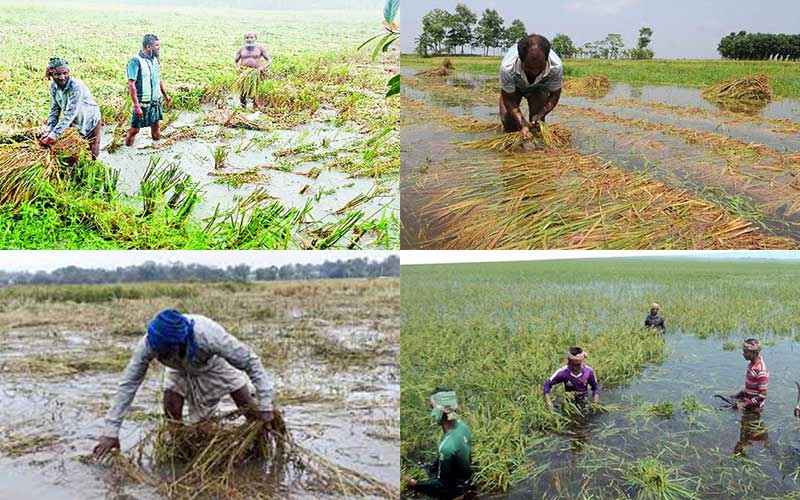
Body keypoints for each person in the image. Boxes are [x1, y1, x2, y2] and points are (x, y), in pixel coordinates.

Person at [93, 309, 274, 459]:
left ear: (179, 343)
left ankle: (259, 449)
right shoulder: (150, 344)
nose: (159, 357)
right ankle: (181, 450)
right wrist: (111, 431)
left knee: (247, 405)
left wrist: (266, 404)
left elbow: (251, 362)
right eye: (157, 353)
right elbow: (128, 384)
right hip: (179, 369)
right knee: (172, 406)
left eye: (163, 353)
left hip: (214, 364)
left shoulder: (208, 335)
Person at [406, 388, 473, 500]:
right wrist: (431, 468)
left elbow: (441, 486)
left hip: (455, 490)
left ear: (441, 412)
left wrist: (415, 484)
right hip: (465, 477)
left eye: (432, 408)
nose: (431, 412)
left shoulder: (446, 447)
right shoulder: (462, 425)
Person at [499, 34, 563, 139]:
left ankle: (536, 149)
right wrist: (521, 121)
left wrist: (541, 114)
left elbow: (555, 94)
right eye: (529, 67)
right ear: (521, 59)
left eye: (540, 67)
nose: (535, 72)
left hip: (539, 87)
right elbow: (509, 99)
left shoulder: (556, 67)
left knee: (537, 123)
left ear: (547, 59)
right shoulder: (507, 68)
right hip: (516, 86)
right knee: (508, 120)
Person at [40, 57, 102, 160]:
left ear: (69, 72)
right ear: (52, 75)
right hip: (74, 121)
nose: (62, 77)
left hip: (90, 118)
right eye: (57, 74)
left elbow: (70, 113)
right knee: (75, 150)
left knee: (93, 151)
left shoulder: (76, 87)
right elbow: (54, 111)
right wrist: (49, 130)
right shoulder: (54, 87)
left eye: (65, 73)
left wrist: (53, 136)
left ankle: (94, 167)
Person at [125, 34, 172, 146]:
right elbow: (131, 85)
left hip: (155, 102)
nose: (158, 48)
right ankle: (127, 148)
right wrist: (136, 105)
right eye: (156, 45)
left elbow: (158, 79)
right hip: (142, 103)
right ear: (148, 46)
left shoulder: (155, 60)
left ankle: (156, 149)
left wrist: (165, 95)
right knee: (135, 130)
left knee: (156, 127)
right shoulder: (135, 61)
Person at [234, 32, 272, 108]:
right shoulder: (241, 49)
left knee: (255, 91)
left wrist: (262, 68)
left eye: (251, 37)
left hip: (256, 73)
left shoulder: (260, 48)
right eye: (247, 38)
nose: (249, 39)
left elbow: (269, 60)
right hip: (244, 74)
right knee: (243, 92)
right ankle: (243, 107)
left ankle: (255, 107)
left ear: (255, 38)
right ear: (244, 39)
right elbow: (234, 61)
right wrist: (237, 68)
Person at [732, 338, 768, 410]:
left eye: (746, 352)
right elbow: (751, 388)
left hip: (755, 408)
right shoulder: (751, 365)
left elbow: (763, 395)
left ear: (754, 353)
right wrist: (738, 395)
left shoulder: (761, 370)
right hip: (748, 403)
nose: (743, 354)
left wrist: (744, 405)